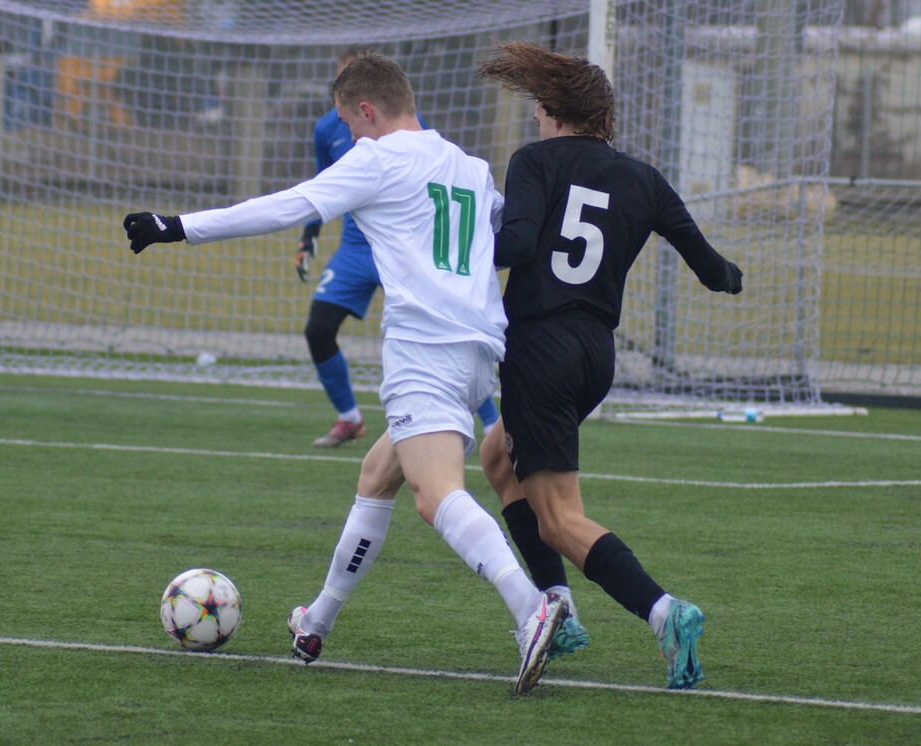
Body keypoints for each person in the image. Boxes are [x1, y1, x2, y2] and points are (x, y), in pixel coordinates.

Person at [124, 50, 566, 694]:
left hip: (425, 348)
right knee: (377, 475)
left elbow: (287, 205)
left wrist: (176, 227)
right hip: (477, 352)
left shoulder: (377, 157)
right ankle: (317, 619)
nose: (349, 140)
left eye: (350, 126)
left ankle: (534, 609)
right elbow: (508, 234)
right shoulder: (467, 164)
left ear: (367, 111)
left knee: (434, 494)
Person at [476, 41, 744, 690]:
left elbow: (514, 243)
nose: (535, 118)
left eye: (540, 108)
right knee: (496, 457)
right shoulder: (644, 180)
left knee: (559, 517)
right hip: (596, 351)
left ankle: (663, 612)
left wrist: (455, 238)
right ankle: (558, 610)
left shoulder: (534, 161)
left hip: (540, 347)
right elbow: (713, 271)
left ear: (555, 112)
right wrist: (734, 277)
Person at [296, 45, 500, 447]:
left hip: (404, 247)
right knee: (318, 329)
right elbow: (318, 188)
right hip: (356, 250)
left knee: (442, 331)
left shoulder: (404, 129)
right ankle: (349, 418)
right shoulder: (327, 129)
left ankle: (492, 422)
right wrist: (309, 236)